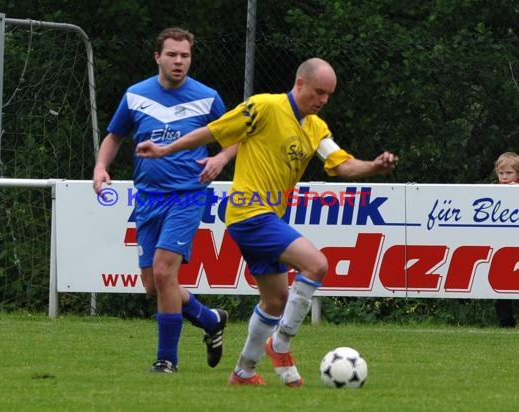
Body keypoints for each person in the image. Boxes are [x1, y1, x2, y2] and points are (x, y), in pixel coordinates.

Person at [136, 57, 398, 386]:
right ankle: (281, 343)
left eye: (328, 95)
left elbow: (342, 165)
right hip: (248, 213)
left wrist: (373, 166)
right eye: (318, 92)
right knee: (316, 265)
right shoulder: (263, 107)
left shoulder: (316, 128)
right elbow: (214, 131)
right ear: (300, 84)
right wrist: (165, 149)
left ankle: (243, 372)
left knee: (275, 300)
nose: (323, 100)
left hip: (268, 216)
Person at [93, 27, 237, 373]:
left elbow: (237, 136)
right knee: (152, 284)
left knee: (163, 271)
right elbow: (114, 137)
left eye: (184, 55)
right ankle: (210, 319)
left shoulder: (207, 97)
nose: (178, 61)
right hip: (148, 199)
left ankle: (166, 360)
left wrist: (219, 160)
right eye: (172, 54)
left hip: (187, 196)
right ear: (157, 56)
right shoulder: (135, 96)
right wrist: (100, 167)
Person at [492, 151, 519, 328]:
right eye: (501, 173)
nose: (504, 177)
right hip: (501, 247)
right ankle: (506, 323)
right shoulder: (493, 193)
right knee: (500, 287)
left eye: (509, 173)